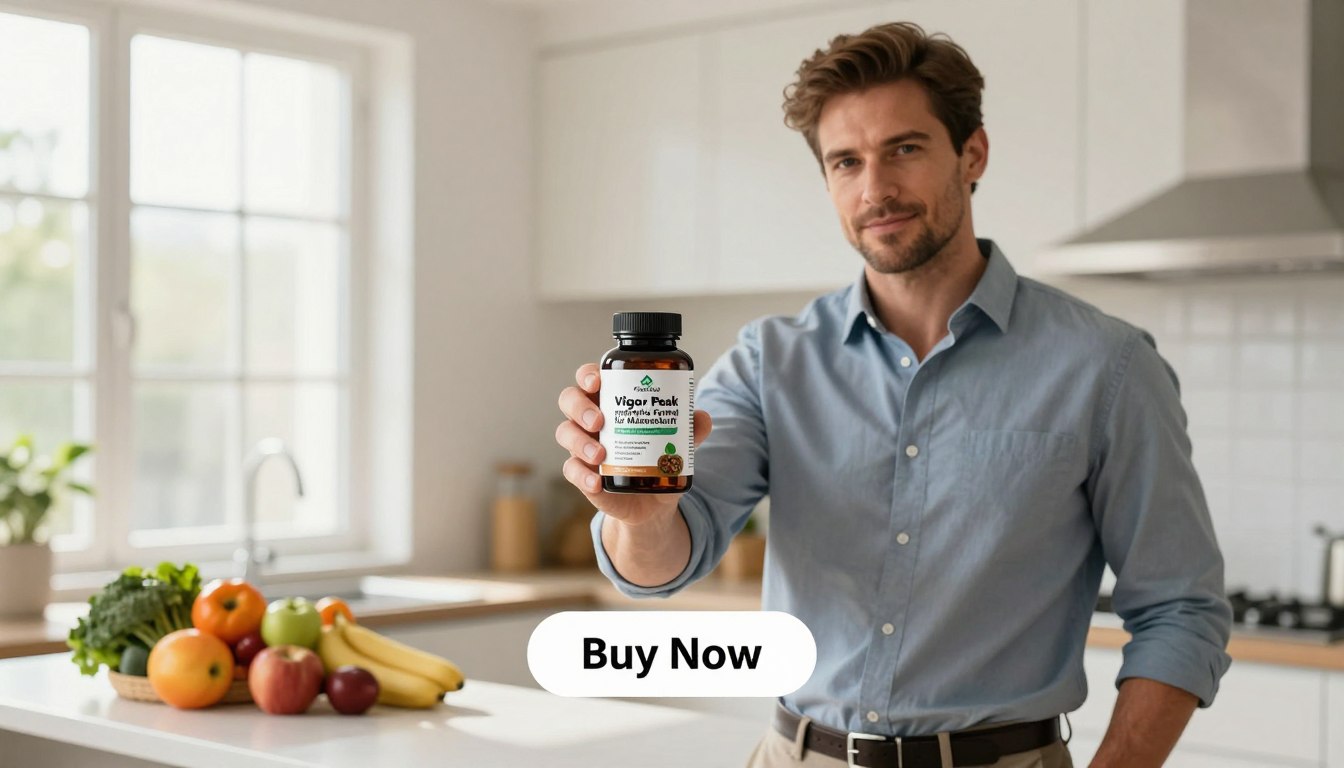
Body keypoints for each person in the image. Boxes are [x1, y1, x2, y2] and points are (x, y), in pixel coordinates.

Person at [554, 21, 1230, 768]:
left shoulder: (1106, 366)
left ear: (972, 154)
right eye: (846, 161)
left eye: (904, 149)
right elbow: (660, 566)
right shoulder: (769, 361)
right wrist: (640, 519)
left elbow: (1181, 611)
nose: (875, 189)